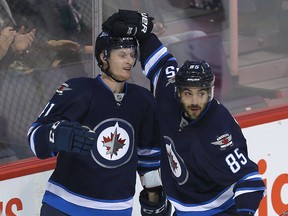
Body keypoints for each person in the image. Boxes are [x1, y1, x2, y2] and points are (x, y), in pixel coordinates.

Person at [103, 10, 267, 215]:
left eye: (202, 93)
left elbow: (249, 179)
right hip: (183, 208)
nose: (195, 102)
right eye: (188, 93)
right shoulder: (167, 95)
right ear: (178, 91)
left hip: (219, 210)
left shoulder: (219, 129)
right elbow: (162, 64)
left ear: (211, 92)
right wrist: (144, 33)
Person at [27, 12, 171, 216]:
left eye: (132, 54)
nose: (129, 61)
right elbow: (34, 139)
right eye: (122, 55)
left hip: (116, 210)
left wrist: (154, 195)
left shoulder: (143, 101)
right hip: (63, 206)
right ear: (104, 57)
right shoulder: (77, 90)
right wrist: (55, 135)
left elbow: (147, 160)